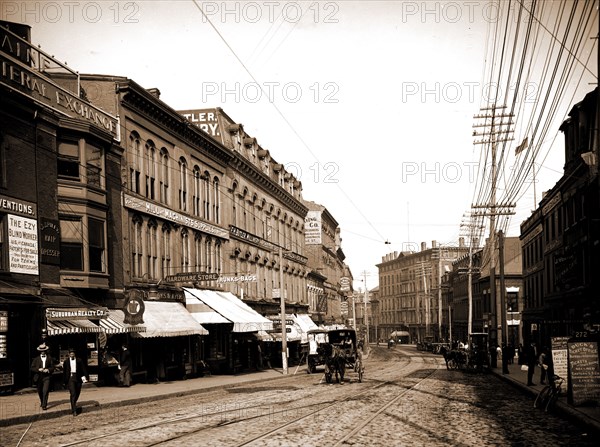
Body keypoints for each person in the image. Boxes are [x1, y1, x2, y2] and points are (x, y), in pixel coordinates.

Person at [62, 348, 88, 416]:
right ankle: (74, 410)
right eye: (71, 353)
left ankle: (73, 403)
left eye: (73, 353)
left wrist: (85, 377)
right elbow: (64, 372)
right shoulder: (66, 362)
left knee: (77, 392)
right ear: (69, 354)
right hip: (70, 378)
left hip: (78, 377)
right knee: (73, 393)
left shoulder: (79, 360)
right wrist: (64, 381)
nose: (72, 355)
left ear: (75, 354)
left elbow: (83, 369)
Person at [30, 343, 55, 410]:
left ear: (46, 351)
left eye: (44, 351)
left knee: (45, 390)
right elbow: (32, 368)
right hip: (38, 377)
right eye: (41, 351)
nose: (43, 352)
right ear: (40, 351)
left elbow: (53, 367)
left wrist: (48, 370)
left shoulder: (50, 358)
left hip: (47, 377)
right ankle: (42, 401)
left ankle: (44, 405)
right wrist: (38, 369)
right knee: (40, 391)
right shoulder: (36, 359)